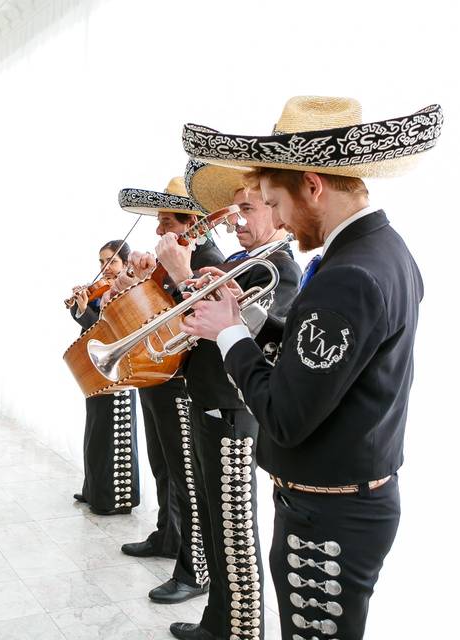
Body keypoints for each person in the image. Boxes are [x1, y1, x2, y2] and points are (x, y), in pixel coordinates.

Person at [179, 96, 443, 639]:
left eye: (275, 201)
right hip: (348, 506)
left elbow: (282, 414)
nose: (274, 218)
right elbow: (326, 359)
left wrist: (227, 334)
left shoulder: (349, 274)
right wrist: (248, 319)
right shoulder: (384, 251)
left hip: (329, 518)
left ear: (313, 185)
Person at [161, 160, 301, 640]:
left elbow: (252, 341)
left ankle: (239, 631)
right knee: (216, 523)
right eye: (237, 209)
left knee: (235, 529)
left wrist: (183, 276)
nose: (237, 219)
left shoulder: (280, 268)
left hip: (235, 411)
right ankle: (218, 622)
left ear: (275, 211)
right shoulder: (243, 263)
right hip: (211, 401)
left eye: (248, 208)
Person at [110, 175, 223, 604]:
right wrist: (131, 284)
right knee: (164, 465)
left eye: (165, 221)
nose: (158, 231)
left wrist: (177, 275)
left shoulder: (208, 257)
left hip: (182, 381)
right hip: (157, 375)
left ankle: (193, 571)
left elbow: (191, 318)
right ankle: (167, 535)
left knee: (186, 477)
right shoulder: (168, 258)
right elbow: (149, 310)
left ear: (190, 222)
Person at [69, 239, 140, 515]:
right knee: (96, 431)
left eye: (111, 261)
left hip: (116, 371)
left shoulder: (127, 291)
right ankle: (94, 489)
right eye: (101, 262)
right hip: (95, 372)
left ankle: (115, 499)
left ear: (125, 263)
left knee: (115, 434)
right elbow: (90, 326)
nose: (105, 268)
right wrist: (81, 307)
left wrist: (86, 310)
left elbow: (106, 332)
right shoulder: (102, 290)